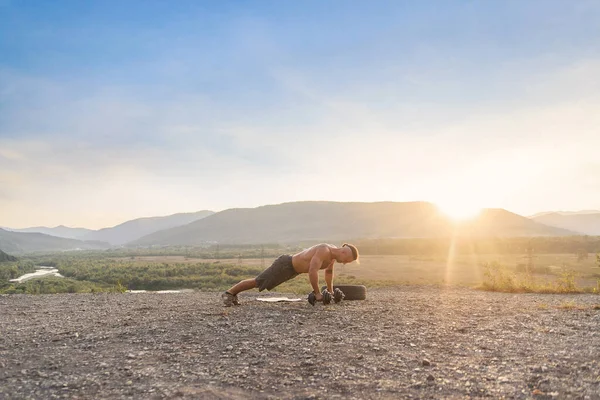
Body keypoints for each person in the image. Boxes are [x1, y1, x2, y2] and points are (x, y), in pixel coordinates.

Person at [221, 243, 359, 306]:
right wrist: (317, 293)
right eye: (347, 260)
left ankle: (232, 295)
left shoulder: (333, 256)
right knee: (258, 282)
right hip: (285, 265)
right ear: (344, 252)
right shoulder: (324, 250)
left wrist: (330, 291)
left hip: (293, 270)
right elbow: (312, 271)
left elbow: (328, 273)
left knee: (259, 283)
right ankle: (229, 293)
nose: (345, 263)